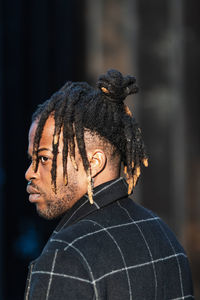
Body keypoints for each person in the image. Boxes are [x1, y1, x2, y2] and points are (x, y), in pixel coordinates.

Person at [25, 69, 193, 299]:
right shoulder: (164, 236)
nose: (30, 173)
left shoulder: (66, 255)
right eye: (31, 160)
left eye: (44, 158)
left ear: (94, 162)